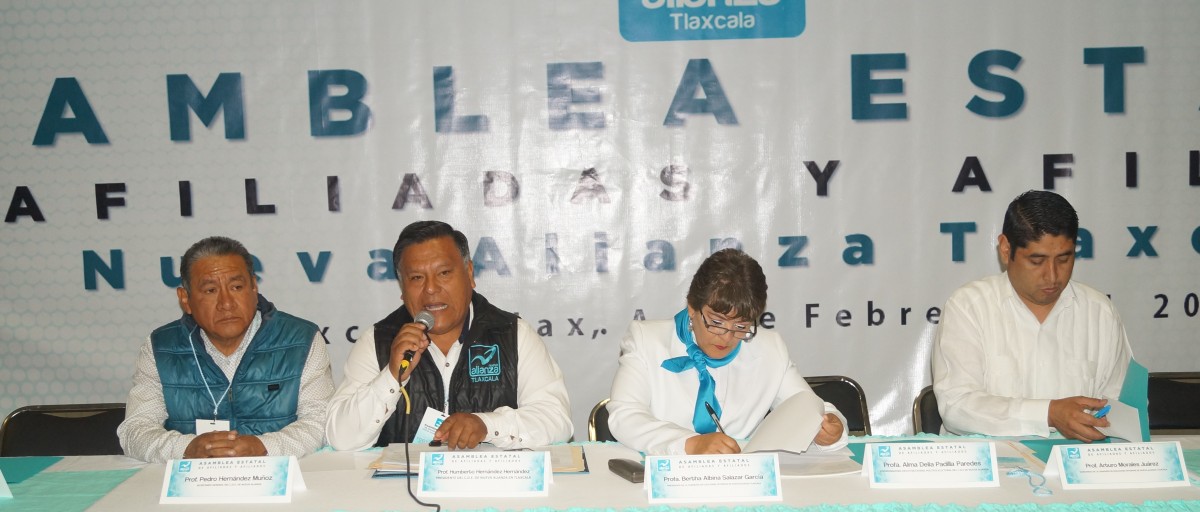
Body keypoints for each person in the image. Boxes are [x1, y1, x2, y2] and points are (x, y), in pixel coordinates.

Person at [325, 220, 572, 450]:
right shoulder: (379, 341)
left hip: (490, 480)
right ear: (402, 288)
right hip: (404, 482)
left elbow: (556, 420)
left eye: (444, 273)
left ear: (469, 274)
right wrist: (391, 376)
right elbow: (340, 438)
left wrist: (487, 425)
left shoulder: (512, 334)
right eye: (417, 278)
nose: (431, 289)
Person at [932, 190, 1134, 441]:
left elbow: (1124, 411)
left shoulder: (1100, 312)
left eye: (1064, 259)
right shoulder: (969, 307)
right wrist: (1048, 414)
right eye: (1037, 261)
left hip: (1076, 460)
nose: (1052, 276)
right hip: (992, 460)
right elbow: (957, 407)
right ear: (1006, 249)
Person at [607, 248, 848, 455]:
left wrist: (830, 429)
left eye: (741, 326)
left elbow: (806, 405)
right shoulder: (646, 340)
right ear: (692, 307)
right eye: (717, 322)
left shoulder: (770, 349)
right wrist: (689, 443)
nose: (727, 336)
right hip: (663, 474)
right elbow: (625, 416)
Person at [117, 236, 334, 463]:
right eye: (210, 290)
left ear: (253, 287)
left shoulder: (300, 339)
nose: (226, 303)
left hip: (281, 478)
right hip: (193, 480)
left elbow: (320, 422)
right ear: (185, 299)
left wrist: (263, 447)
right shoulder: (162, 348)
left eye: (237, 287)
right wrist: (187, 448)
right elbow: (135, 430)